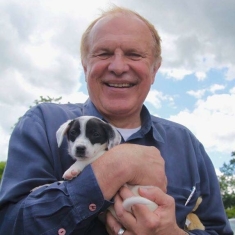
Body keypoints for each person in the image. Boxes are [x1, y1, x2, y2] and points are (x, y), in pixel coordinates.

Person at [0, 5, 232, 235]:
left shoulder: (186, 144)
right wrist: (114, 168)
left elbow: (218, 230)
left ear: (154, 70)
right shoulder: (43, 123)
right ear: (85, 65)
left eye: (134, 54)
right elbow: (8, 225)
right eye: (104, 53)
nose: (118, 67)